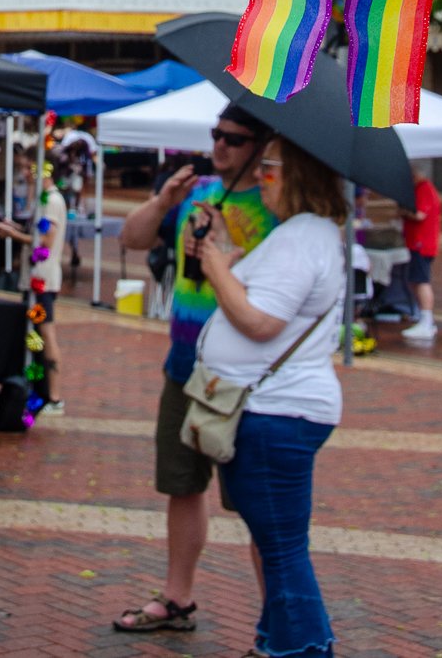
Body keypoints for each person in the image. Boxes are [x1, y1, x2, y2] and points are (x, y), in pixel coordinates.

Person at [113, 105, 274, 636]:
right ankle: (177, 597)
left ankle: (275, 618)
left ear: (259, 146)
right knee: (182, 485)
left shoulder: (275, 206)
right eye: (216, 135)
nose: (220, 145)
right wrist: (164, 201)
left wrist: (223, 249)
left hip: (240, 377)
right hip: (184, 365)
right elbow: (132, 240)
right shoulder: (196, 193)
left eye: (234, 138)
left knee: (254, 501)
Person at [199, 134, 346, 658]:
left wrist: (214, 265)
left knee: (282, 551)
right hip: (275, 409)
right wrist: (223, 249)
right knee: (278, 543)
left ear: (297, 174)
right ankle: (276, 642)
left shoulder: (303, 236)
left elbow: (260, 321)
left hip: (277, 412)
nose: (260, 177)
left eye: (268, 168)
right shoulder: (302, 235)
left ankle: (304, 649)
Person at [0, 152, 68, 413]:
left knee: (45, 334)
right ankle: (40, 389)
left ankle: (54, 395)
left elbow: (45, 243)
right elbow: (37, 234)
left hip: (42, 281)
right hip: (34, 280)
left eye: (30, 168)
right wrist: (16, 228)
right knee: (34, 334)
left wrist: (13, 234)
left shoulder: (52, 202)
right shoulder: (42, 200)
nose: (26, 174)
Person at [399, 171, 442, 342]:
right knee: (415, 280)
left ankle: (426, 319)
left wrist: (404, 212)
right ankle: (422, 316)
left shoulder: (424, 189)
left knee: (421, 281)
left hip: (421, 243)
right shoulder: (422, 188)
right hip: (417, 242)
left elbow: (419, 214)